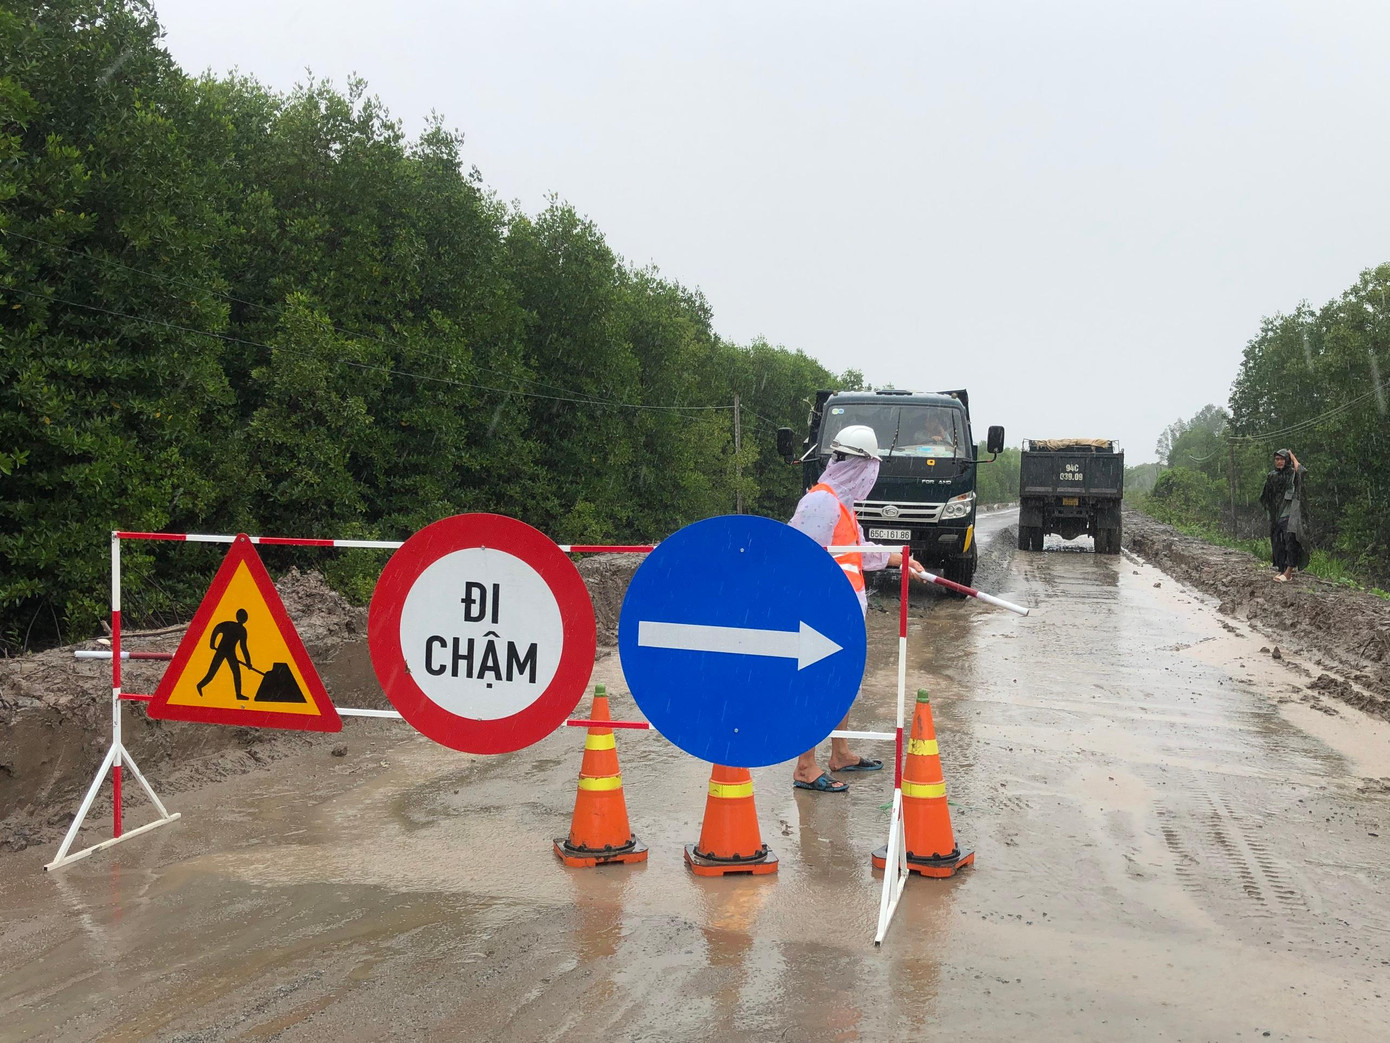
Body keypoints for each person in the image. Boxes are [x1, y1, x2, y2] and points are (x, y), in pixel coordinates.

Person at [787, 424, 929, 792]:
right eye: (871, 469)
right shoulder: (821, 502)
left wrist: (901, 559)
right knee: (818, 687)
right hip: (822, 614)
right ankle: (805, 766)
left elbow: (861, 553)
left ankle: (841, 753)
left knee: (842, 684)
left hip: (844, 612)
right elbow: (801, 558)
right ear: (858, 466)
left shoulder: (842, 505)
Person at [1259, 449, 1309, 582]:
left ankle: (1288, 572)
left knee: (1290, 542)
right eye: (1277, 459)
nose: (1279, 462)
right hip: (1276, 514)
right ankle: (1283, 570)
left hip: (1289, 513)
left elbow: (1302, 471)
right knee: (1277, 543)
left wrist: (1293, 457)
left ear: (1286, 460)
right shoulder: (1272, 475)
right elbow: (1266, 496)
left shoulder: (1292, 473)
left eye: (1282, 459)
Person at [196, 608, 254, 700]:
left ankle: (238, 694)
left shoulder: (241, 630)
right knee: (211, 673)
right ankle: (199, 685)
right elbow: (217, 629)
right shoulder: (230, 625)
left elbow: (243, 647)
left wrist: (248, 662)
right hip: (221, 651)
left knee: (237, 673)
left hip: (231, 653)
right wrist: (212, 643)